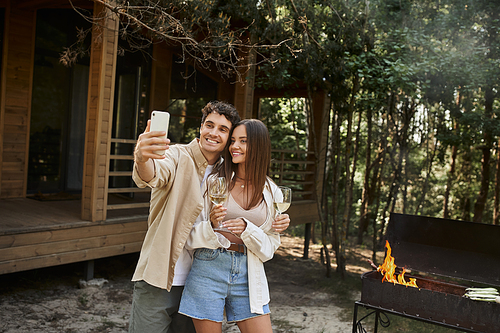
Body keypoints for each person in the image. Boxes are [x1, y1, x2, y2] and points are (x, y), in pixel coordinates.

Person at [129, 102, 290, 333]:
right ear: (200, 127)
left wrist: (278, 220)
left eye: (223, 130)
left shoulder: (226, 172)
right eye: (209, 125)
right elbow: (153, 174)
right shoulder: (176, 155)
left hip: (199, 276)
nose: (214, 133)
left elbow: (258, 204)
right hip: (161, 275)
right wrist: (142, 157)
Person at [179, 119, 286, 333]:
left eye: (243, 141)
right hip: (209, 266)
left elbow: (269, 248)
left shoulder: (272, 192)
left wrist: (248, 229)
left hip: (249, 270)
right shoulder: (215, 183)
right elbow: (188, 234)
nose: (234, 146)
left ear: (258, 146)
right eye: (233, 140)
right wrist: (211, 224)